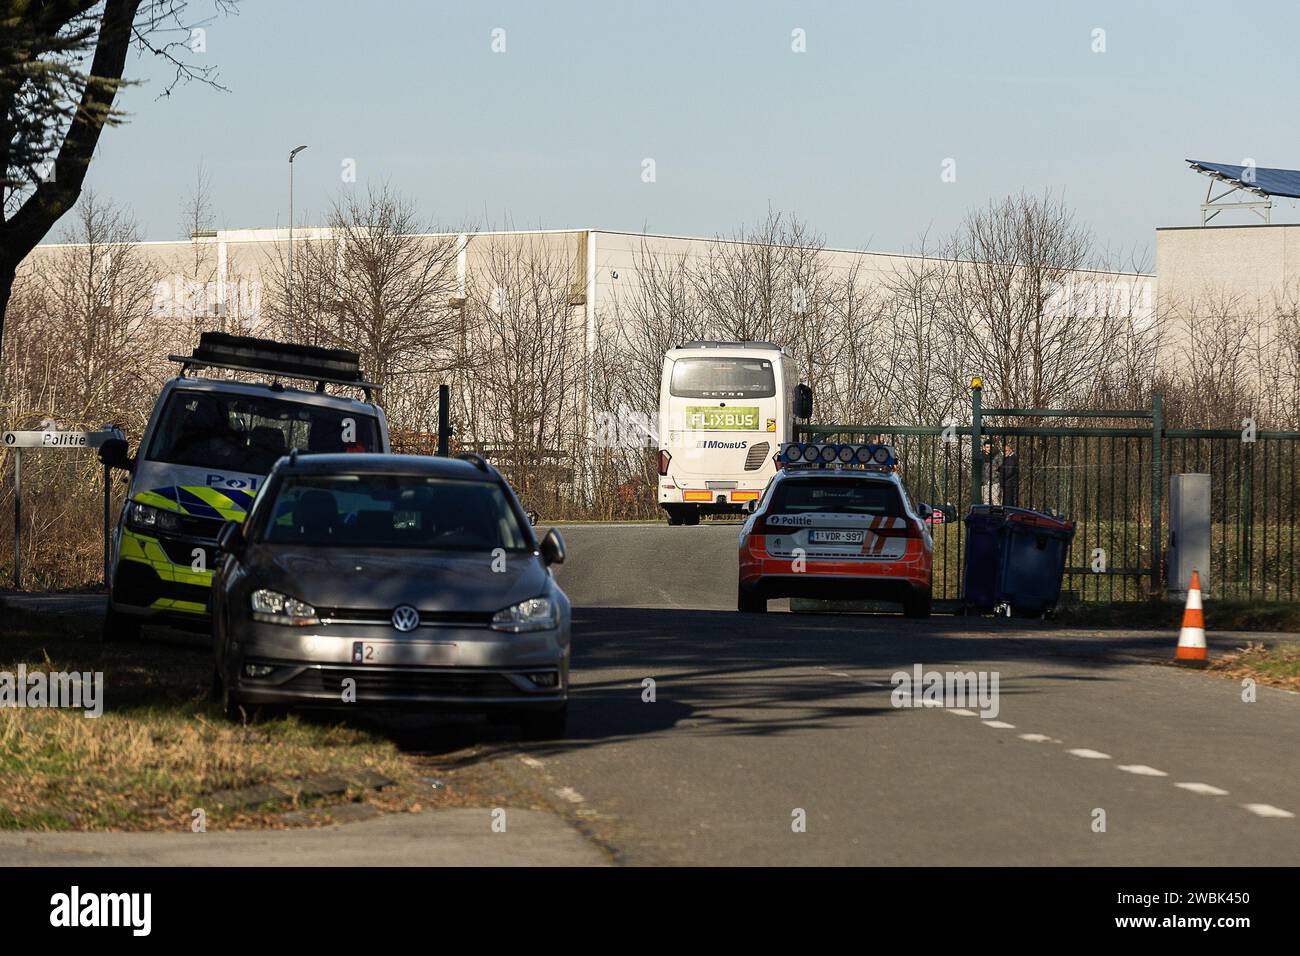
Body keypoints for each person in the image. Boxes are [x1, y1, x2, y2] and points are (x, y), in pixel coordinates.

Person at [998, 442, 1020, 508]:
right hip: (1008, 483)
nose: (1004, 452)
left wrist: (1001, 476)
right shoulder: (1007, 458)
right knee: (1007, 502)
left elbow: (1009, 471)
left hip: (1009, 483)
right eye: (1003, 451)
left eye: (1006, 451)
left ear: (1010, 450)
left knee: (1008, 503)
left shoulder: (1012, 458)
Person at [981, 439, 1002, 505]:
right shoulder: (981, 455)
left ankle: (998, 514)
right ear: (984, 447)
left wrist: (995, 469)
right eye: (987, 447)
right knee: (986, 500)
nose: (988, 449)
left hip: (995, 480)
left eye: (990, 447)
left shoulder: (997, 454)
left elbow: (1001, 465)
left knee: (995, 499)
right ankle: (986, 513)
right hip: (984, 481)